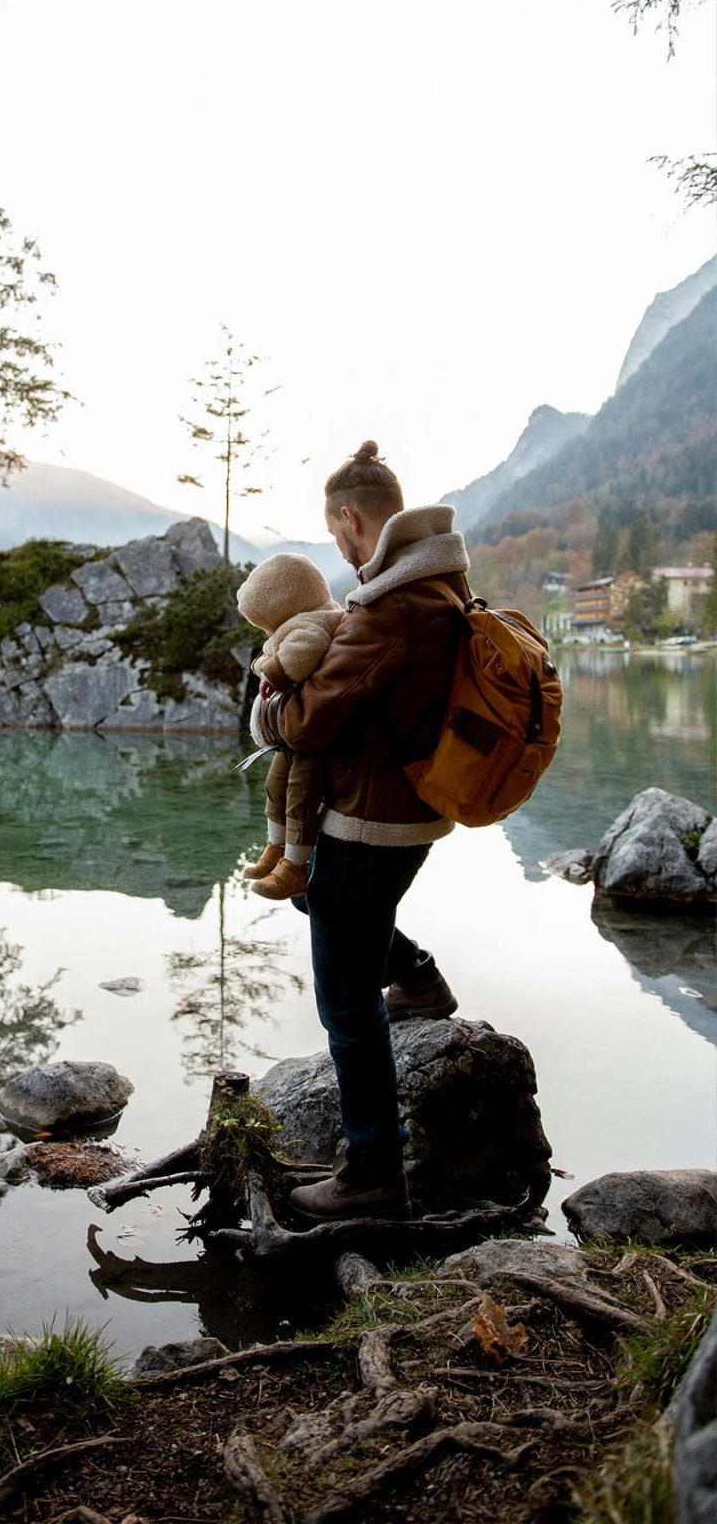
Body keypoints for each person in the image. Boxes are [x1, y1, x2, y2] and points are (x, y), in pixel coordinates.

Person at [258, 439, 469, 1220]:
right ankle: (417, 976)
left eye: (337, 533)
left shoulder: (391, 608)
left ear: (350, 520)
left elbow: (308, 723)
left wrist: (269, 707)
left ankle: (373, 1171)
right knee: (318, 898)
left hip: (370, 820)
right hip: (407, 811)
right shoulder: (438, 585)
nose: (341, 549)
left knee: (345, 1001)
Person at [235, 552, 345, 901]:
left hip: (311, 737)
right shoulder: (301, 621)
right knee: (275, 785)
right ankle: (276, 848)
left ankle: (295, 866)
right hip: (292, 738)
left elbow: (300, 656)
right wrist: (266, 662)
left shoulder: (310, 624)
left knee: (300, 794)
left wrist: (270, 669)